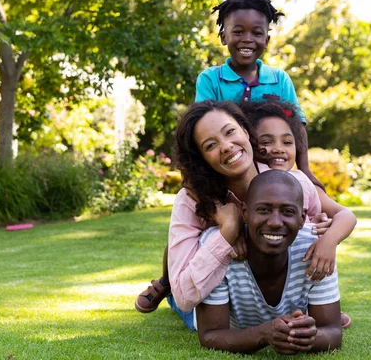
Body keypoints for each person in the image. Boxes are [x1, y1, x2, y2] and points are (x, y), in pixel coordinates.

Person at [135, 101, 321, 330]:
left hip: (274, 303)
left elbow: (317, 230)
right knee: (180, 292)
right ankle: (166, 286)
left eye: (230, 132)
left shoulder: (290, 183)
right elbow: (186, 297)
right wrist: (226, 234)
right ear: (201, 158)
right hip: (217, 306)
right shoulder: (190, 201)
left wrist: (326, 240)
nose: (225, 146)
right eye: (211, 145)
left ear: (245, 129)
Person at [196, 170, 342, 354]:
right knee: (182, 303)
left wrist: (305, 336)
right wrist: (265, 333)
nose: (274, 222)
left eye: (287, 211)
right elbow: (210, 335)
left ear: (302, 218)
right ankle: (167, 283)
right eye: (263, 210)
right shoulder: (218, 245)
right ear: (245, 213)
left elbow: (333, 332)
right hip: (197, 305)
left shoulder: (316, 246)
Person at [195, 0, 321, 189]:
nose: (247, 39)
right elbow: (202, 128)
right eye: (238, 32)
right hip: (229, 169)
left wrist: (305, 169)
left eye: (257, 33)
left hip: (273, 172)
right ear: (223, 37)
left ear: (267, 39)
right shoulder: (210, 79)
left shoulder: (280, 80)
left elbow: (297, 126)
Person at [245, 101, 357, 285]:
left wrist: (329, 240)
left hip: (297, 269)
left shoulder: (302, 182)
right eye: (266, 142)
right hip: (255, 270)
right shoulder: (250, 178)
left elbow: (346, 215)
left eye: (287, 142)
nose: (279, 148)